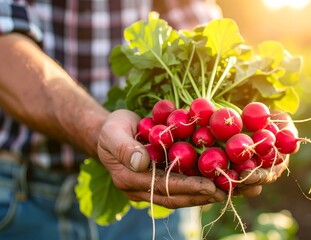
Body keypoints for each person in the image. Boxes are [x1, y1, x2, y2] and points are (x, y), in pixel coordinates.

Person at [0, 0, 293, 239]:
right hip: (23, 195)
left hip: (158, 186)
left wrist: (257, 123)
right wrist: (96, 127)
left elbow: (193, 19)